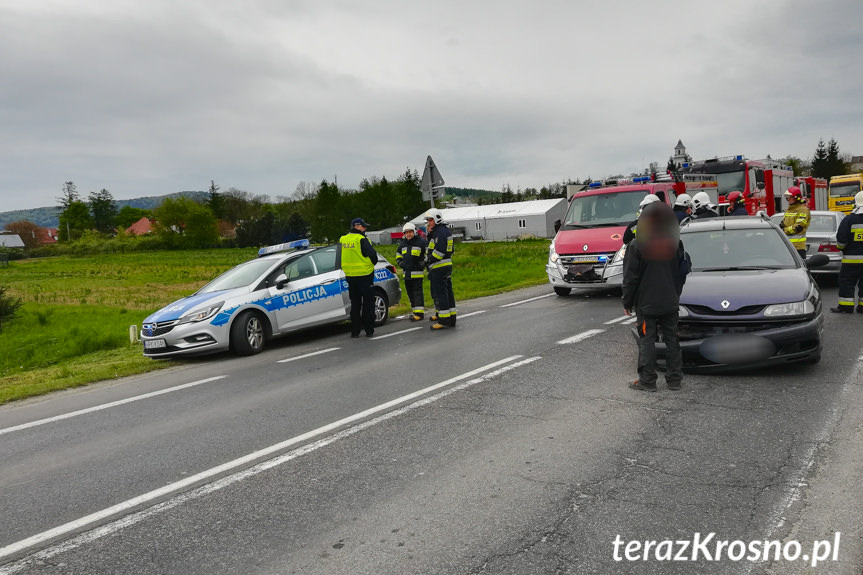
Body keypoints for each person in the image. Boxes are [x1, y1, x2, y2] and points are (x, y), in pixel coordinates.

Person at [622, 201, 687, 392]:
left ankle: (647, 381)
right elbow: (681, 272)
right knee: (672, 340)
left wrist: (627, 301)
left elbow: (630, 278)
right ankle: (674, 380)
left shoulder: (637, 245)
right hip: (670, 301)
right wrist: (675, 294)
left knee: (647, 340)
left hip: (646, 303)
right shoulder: (675, 244)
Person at [336, 217, 379, 337]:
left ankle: (355, 331)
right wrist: (371, 264)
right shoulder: (361, 239)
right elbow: (372, 254)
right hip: (365, 275)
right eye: (363, 226)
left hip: (350, 277)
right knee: (368, 303)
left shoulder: (343, 239)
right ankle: (369, 329)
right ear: (357, 226)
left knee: (355, 304)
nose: (365, 229)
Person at [425, 208, 456, 330]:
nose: (429, 223)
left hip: (439, 266)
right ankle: (451, 318)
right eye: (428, 220)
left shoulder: (440, 232)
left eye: (431, 220)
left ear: (437, 219)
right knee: (448, 292)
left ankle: (444, 320)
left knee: (441, 293)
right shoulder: (442, 231)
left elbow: (440, 251)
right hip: (445, 265)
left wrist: (428, 260)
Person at [832, 191, 863, 313]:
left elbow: (841, 239)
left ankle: (846, 306)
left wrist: (842, 248)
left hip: (851, 259)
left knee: (847, 281)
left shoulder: (849, 219)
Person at [396, 222, 427, 321]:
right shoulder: (403, 244)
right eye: (406, 233)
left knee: (417, 293)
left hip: (417, 273)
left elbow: (428, 253)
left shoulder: (421, 242)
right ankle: (415, 312)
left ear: (414, 232)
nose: (408, 234)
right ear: (404, 234)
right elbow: (398, 255)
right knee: (410, 293)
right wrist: (401, 264)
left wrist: (423, 263)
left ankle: (419, 313)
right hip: (407, 274)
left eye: (410, 232)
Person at [781, 186, 811, 259]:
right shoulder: (789, 210)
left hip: (798, 247)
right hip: (787, 246)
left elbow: (798, 228)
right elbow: (783, 224)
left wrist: (783, 231)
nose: (787, 198)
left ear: (796, 198)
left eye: (789, 197)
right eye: (787, 196)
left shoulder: (803, 210)